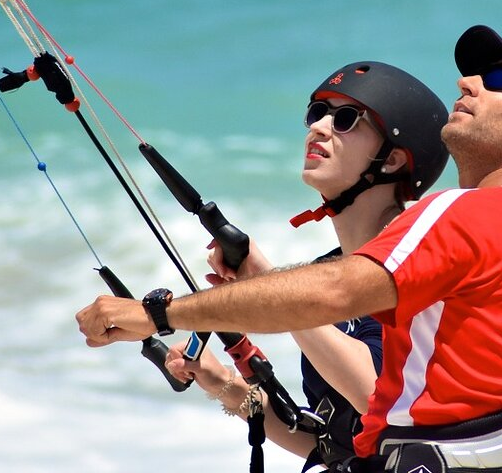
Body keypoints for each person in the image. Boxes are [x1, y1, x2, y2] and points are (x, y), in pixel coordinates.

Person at [76, 25, 502, 473]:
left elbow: (337, 293)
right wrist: (225, 384)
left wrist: (158, 313)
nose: (467, 82)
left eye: (501, 80)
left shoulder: (468, 212)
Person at [162, 61, 449, 472]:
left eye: (346, 119)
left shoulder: (418, 266)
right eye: (318, 113)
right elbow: (331, 441)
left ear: (391, 161)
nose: (318, 128)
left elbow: (377, 399)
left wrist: (276, 287)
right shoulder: (327, 270)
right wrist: (221, 382)